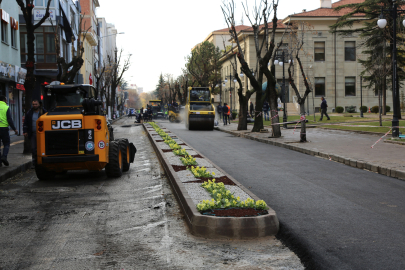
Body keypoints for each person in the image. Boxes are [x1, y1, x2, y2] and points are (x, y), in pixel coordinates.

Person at [23, 99, 46, 168]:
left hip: (42, 134)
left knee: (42, 148)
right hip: (33, 133)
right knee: (33, 148)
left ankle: (42, 161)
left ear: (39, 104)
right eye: (33, 104)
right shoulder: (29, 113)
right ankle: (34, 162)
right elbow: (26, 122)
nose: (34, 105)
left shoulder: (44, 112)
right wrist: (25, 131)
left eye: (36, 104)